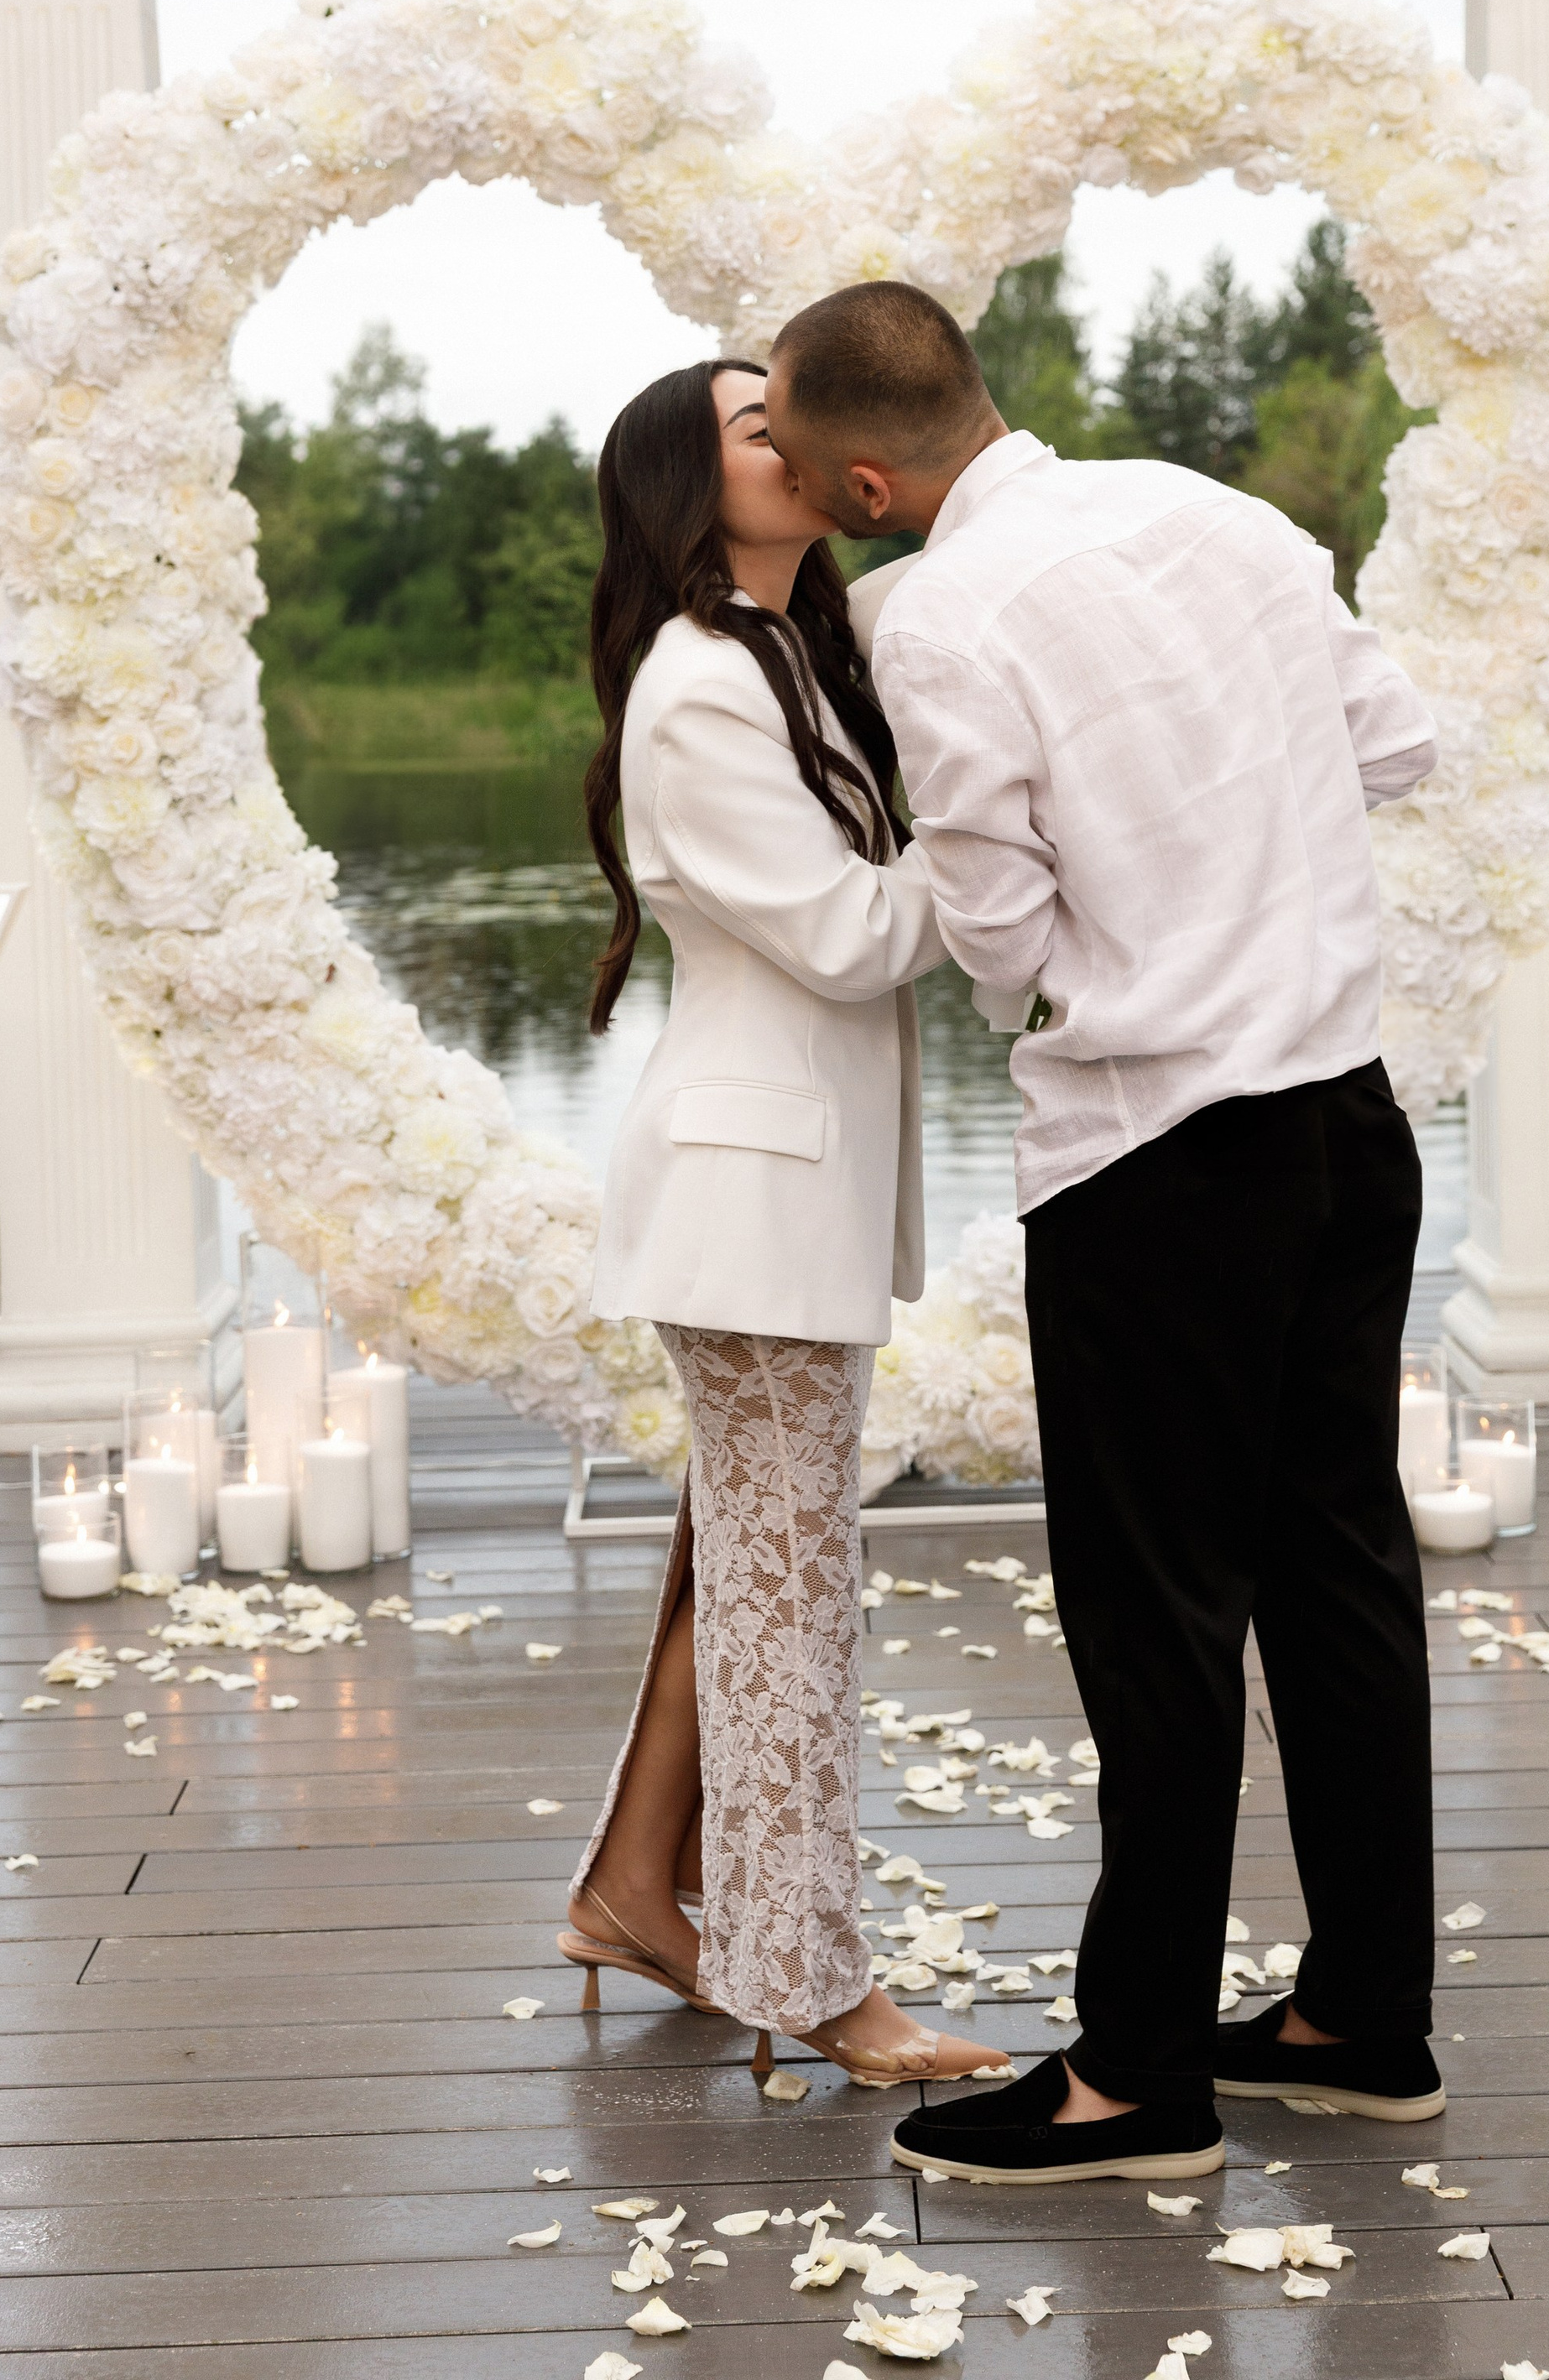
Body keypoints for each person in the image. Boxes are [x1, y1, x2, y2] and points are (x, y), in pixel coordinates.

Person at [764, 279, 1443, 2188]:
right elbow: (1392, 745)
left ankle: (1137, 2078)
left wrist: (1122, 950)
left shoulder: (949, 617)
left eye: (823, 484)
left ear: (875, 475)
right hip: (1341, 1116)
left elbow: (987, 921)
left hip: (1160, 1154)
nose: (827, 510)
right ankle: (1361, 2018)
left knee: (1156, 1620)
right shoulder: (1219, 515)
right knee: (1336, 1574)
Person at [562, 356, 1009, 2090]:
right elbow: (839, 933)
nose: (801, 441)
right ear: (695, 483)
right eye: (761, 428)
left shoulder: (785, 652)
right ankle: (816, 1985)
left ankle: (628, 1893)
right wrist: (993, 854)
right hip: (749, 1206)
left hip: (776, 1195)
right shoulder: (695, 692)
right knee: (788, 1600)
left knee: (739, 1574)